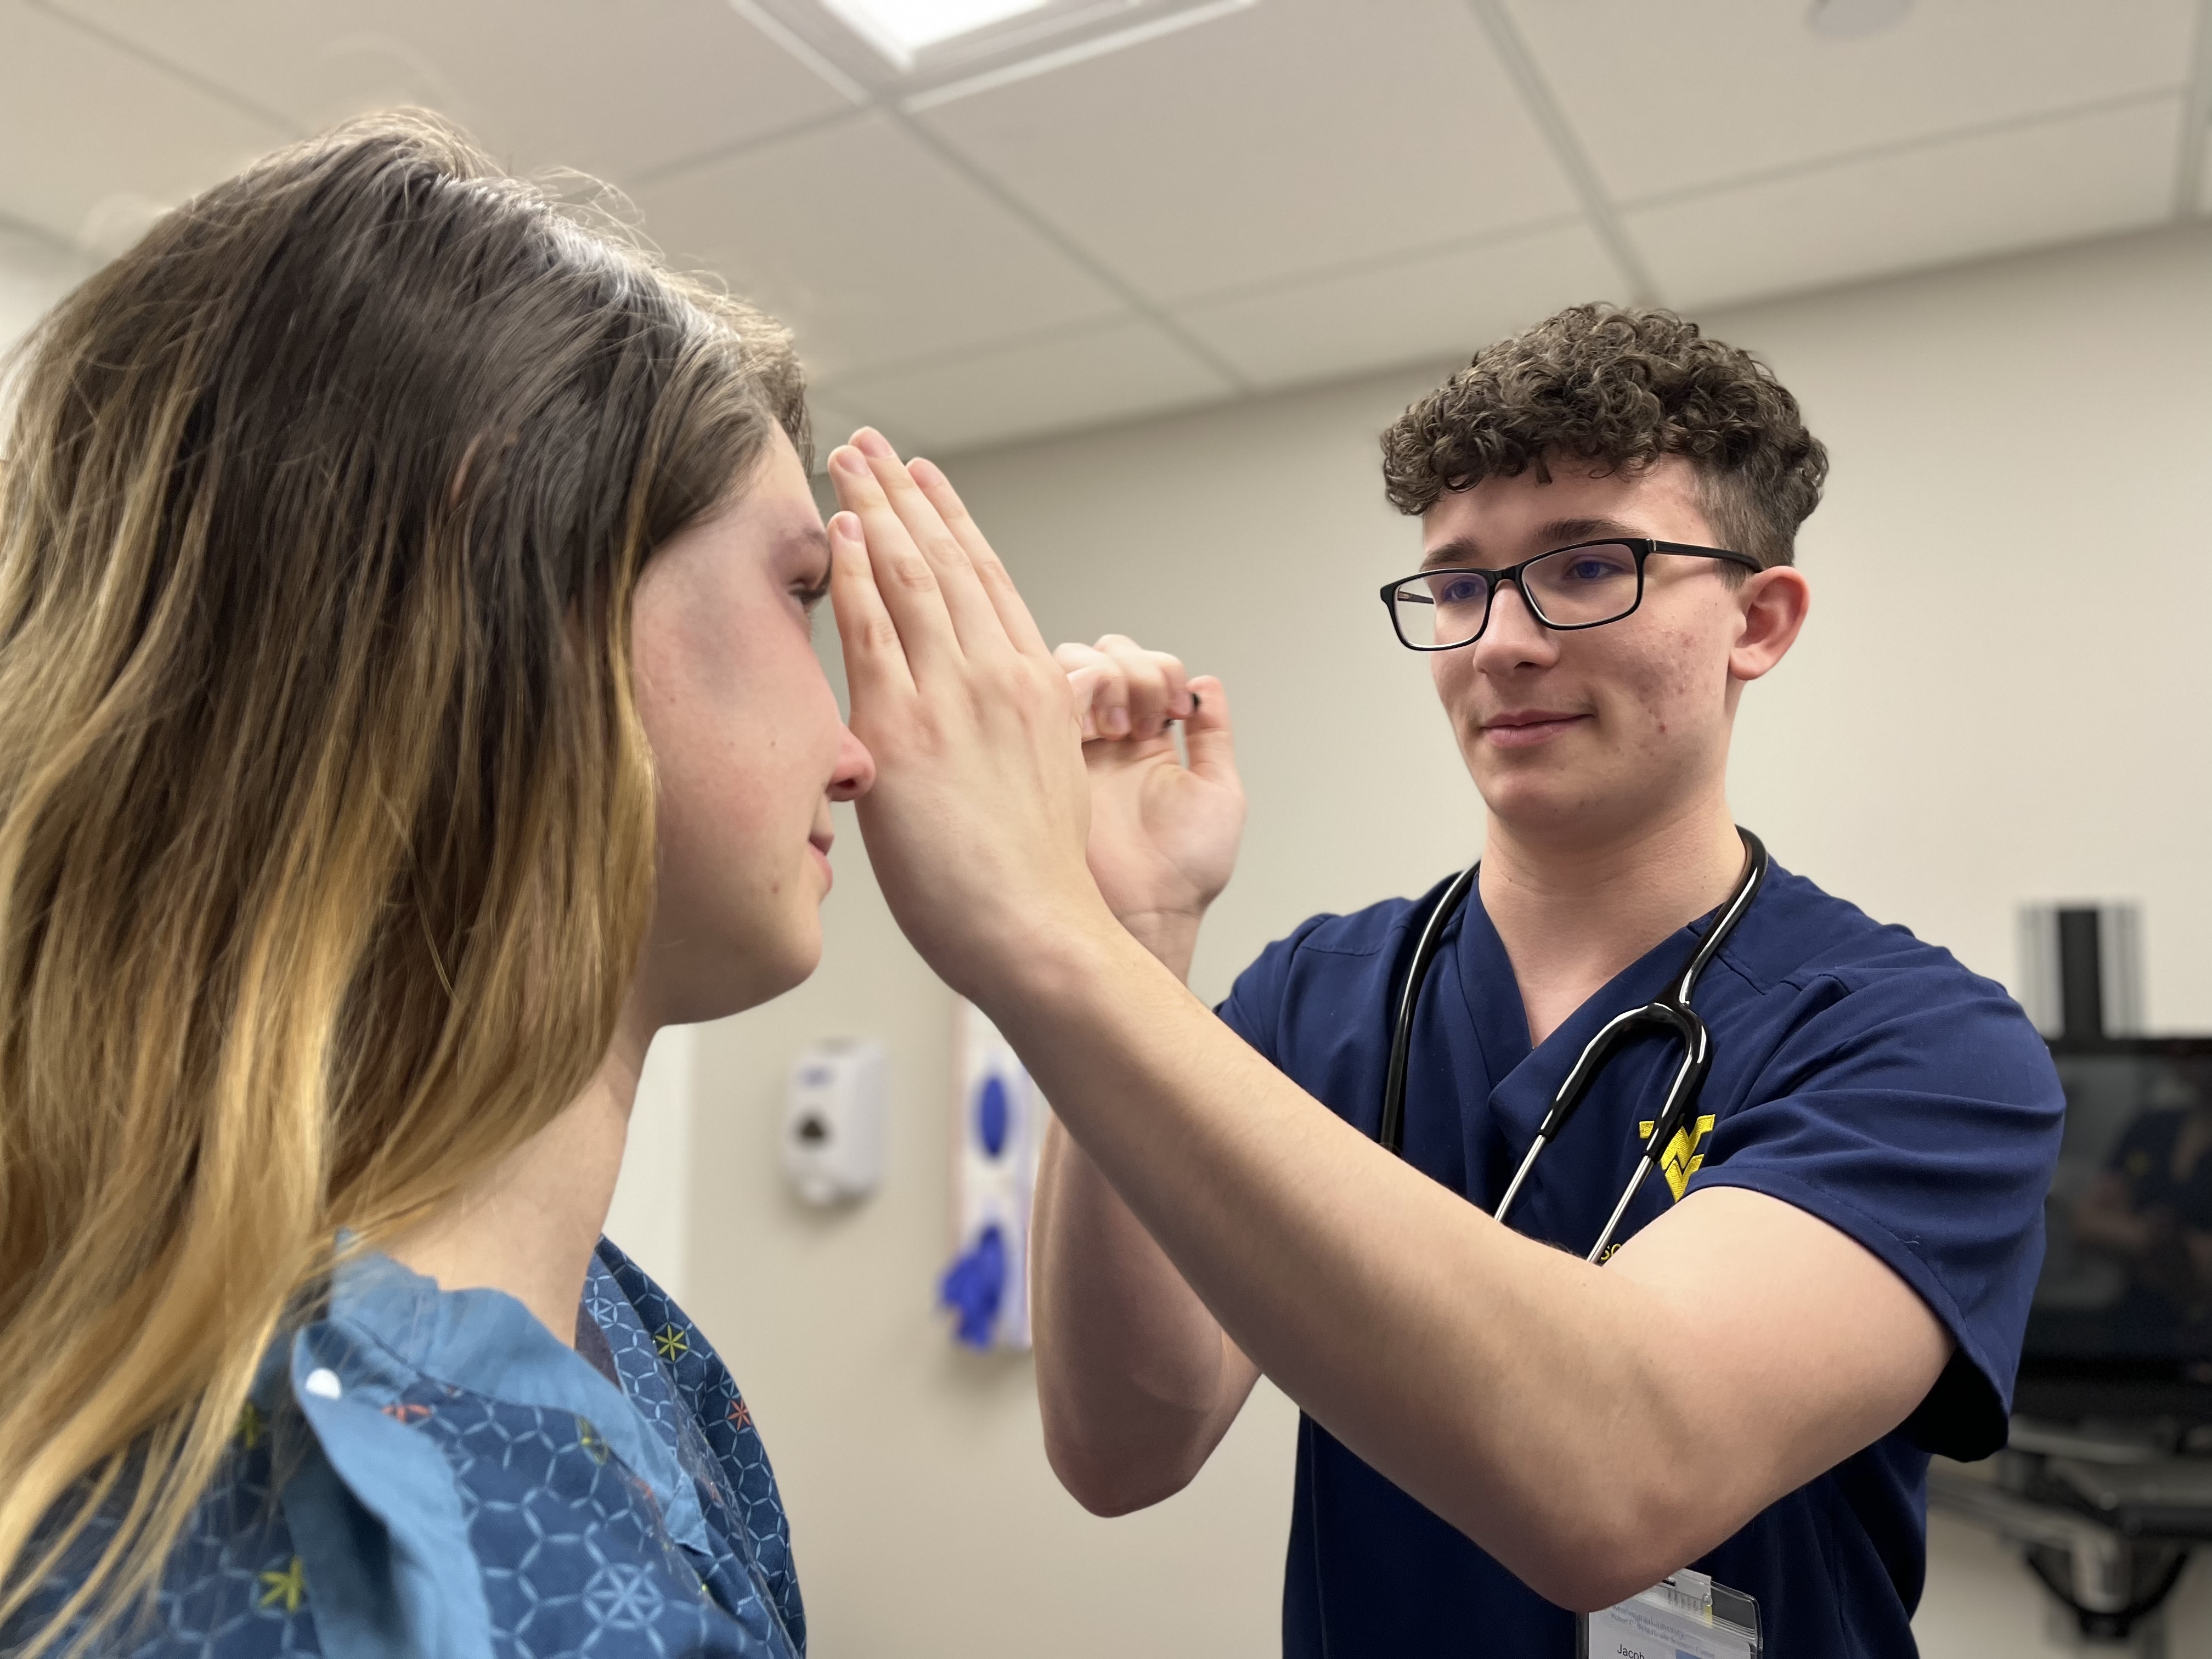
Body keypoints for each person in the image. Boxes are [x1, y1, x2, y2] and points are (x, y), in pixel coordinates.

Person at [816, 306, 2066, 1656]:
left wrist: (1042, 933)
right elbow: (1127, 1443)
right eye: (1460, 585)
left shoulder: (1920, 1047)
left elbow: (1620, 1483)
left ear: (1760, 621)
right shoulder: (1319, 998)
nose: (1498, 645)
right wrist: (1131, 931)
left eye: (1588, 567)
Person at [0, 116, 872, 1656]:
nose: (856, 748)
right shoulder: (253, 1535)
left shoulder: (634, 1351)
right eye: (799, 597)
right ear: (515, 588)